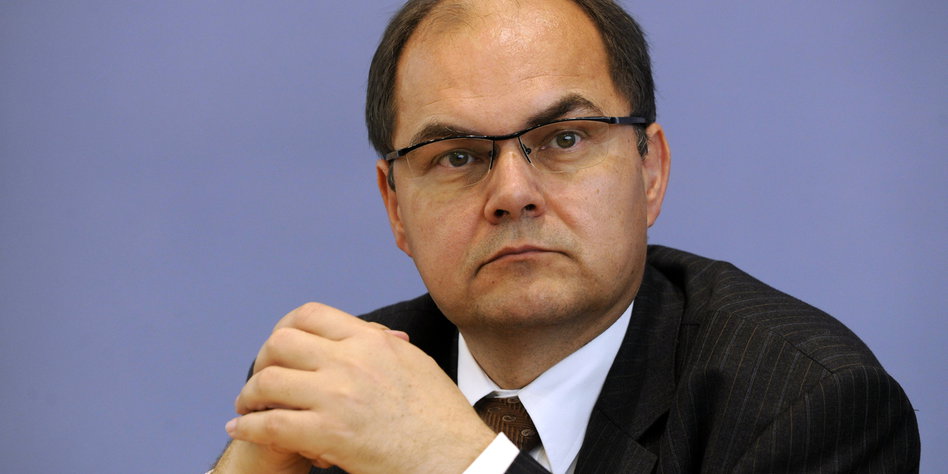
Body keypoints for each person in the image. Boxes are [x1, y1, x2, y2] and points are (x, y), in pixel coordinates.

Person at [213, 0, 920, 472]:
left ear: (650, 170)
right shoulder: (343, 389)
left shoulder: (807, 405)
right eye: (456, 156)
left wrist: (459, 461)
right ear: (395, 206)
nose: (512, 193)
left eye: (565, 139)